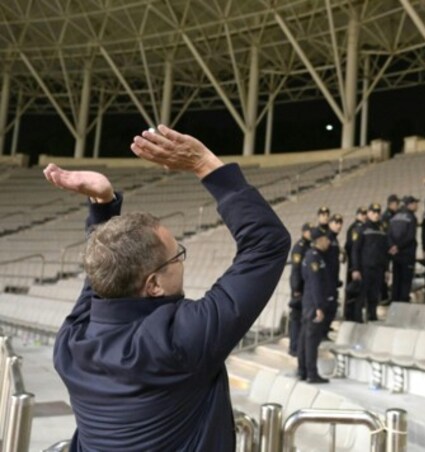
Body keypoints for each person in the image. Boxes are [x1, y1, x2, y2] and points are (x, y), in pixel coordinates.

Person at [46, 125, 291, 450]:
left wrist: (103, 205)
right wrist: (203, 163)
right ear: (154, 285)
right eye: (178, 255)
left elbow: (102, 272)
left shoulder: (72, 342)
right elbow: (267, 243)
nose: (182, 261)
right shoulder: (180, 340)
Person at [297, 227, 331, 383]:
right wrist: (319, 307)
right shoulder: (314, 257)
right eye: (326, 239)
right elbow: (316, 284)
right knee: (311, 340)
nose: (328, 242)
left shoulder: (311, 256)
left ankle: (302, 371)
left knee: (305, 337)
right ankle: (311, 373)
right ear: (319, 240)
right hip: (313, 303)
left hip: (309, 302)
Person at [351, 203, 390, 321]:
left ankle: (372, 316)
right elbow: (355, 250)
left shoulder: (382, 229)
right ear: (368, 213)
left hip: (378, 268)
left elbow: (385, 251)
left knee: (374, 294)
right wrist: (355, 268)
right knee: (361, 295)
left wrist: (387, 269)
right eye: (373, 212)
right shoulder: (361, 229)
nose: (376, 215)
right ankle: (357, 318)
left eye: (378, 212)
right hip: (365, 268)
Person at [289, 222, 313, 356]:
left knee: (302, 319)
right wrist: (296, 288)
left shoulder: (310, 246)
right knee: (296, 319)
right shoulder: (299, 247)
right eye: (309, 231)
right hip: (299, 288)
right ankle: (294, 348)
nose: (311, 233)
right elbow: (296, 270)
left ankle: (298, 346)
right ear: (304, 232)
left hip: (306, 288)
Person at [388, 195, 419, 302]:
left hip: (395, 254)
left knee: (396, 279)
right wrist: (399, 246)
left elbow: (389, 234)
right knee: (406, 281)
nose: (417, 206)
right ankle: (403, 303)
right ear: (409, 205)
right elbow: (410, 237)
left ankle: (394, 302)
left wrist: (393, 246)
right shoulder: (411, 217)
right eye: (415, 203)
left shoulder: (394, 216)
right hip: (407, 253)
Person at [321, 213, 344, 333]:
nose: (339, 226)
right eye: (336, 223)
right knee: (327, 306)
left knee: (332, 307)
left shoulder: (334, 239)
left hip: (333, 278)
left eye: (340, 223)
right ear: (330, 224)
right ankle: (323, 331)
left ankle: (325, 330)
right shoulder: (327, 238)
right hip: (327, 279)